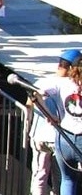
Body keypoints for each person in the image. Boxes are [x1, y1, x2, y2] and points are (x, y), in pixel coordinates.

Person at [30, 49, 79, 195]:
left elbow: (32, 98)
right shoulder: (70, 84)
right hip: (64, 137)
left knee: (42, 175)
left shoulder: (48, 81)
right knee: (64, 177)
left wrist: (48, 116)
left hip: (48, 137)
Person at [42, 54, 82, 195]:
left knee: (68, 180)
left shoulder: (61, 83)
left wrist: (50, 115)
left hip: (64, 138)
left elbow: (37, 94)